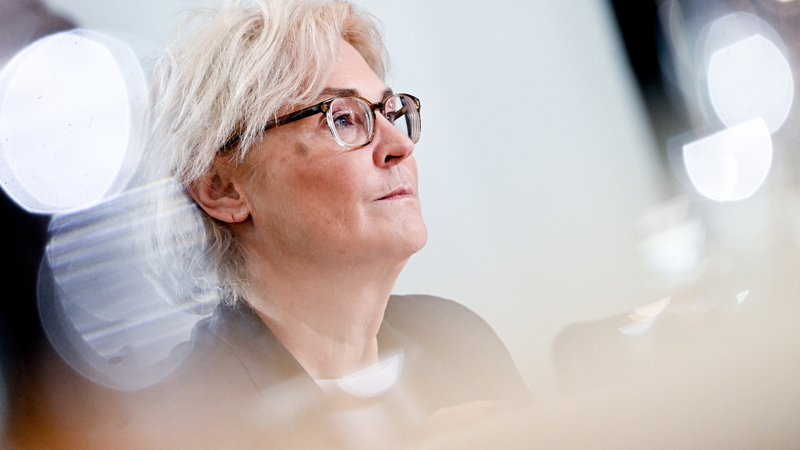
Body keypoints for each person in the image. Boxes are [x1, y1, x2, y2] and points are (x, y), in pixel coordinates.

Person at [120, 0, 532, 447]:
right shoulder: (176, 422)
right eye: (342, 118)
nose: (399, 145)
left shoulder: (455, 337)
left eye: (389, 112)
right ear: (222, 189)